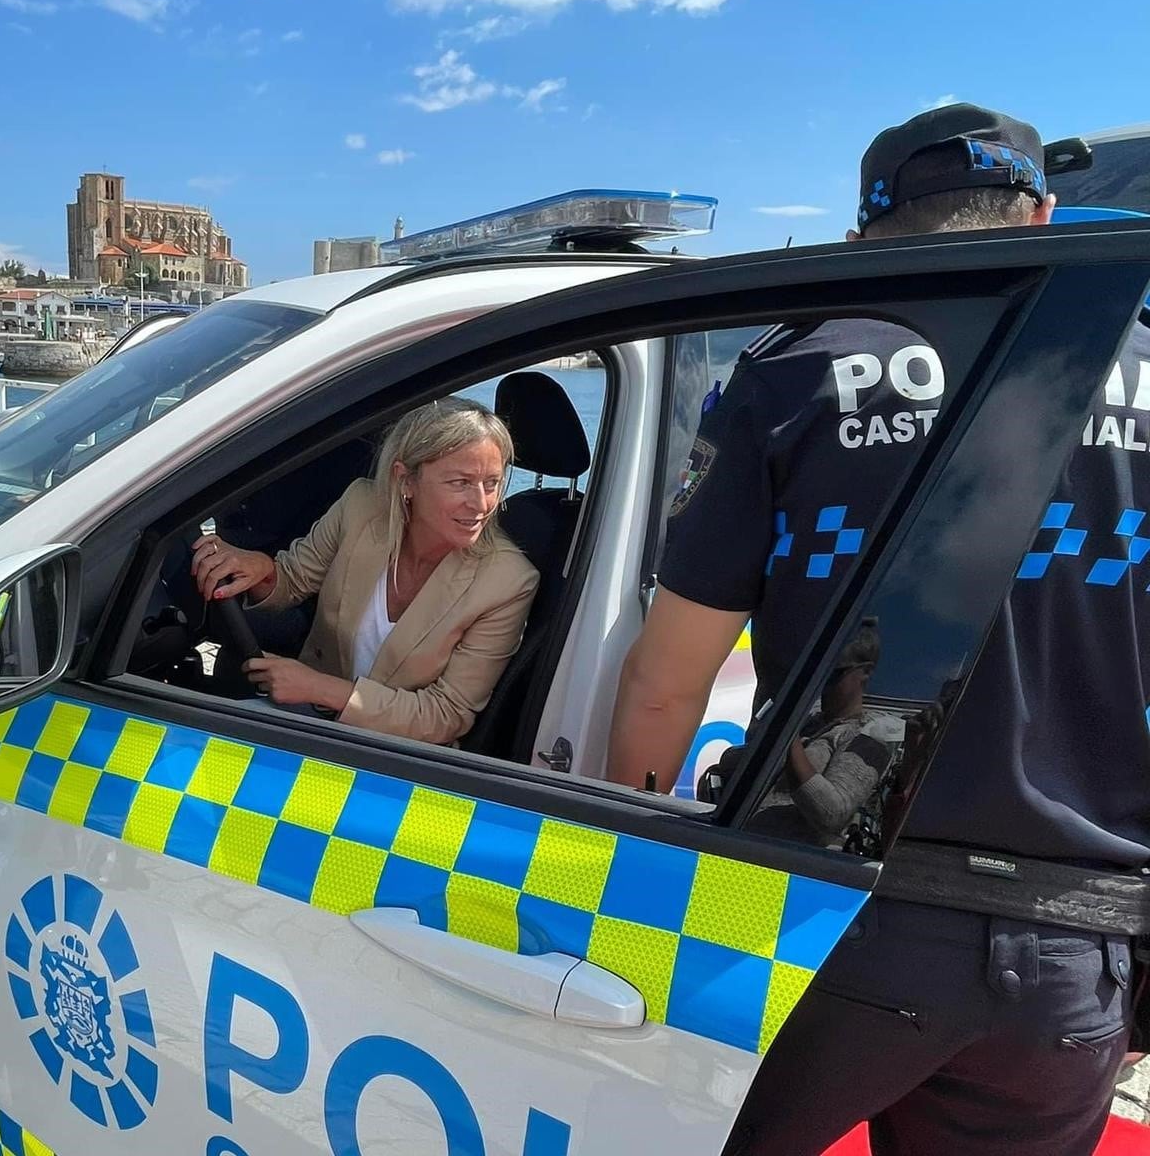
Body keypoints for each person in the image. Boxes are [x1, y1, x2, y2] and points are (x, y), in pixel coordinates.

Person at [607, 103, 1150, 1155]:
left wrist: (631, 911)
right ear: (1040, 216)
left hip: (830, 917)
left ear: (863, 238)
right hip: (1072, 943)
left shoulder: (795, 367)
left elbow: (667, 684)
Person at [191, 397, 539, 746]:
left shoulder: (508, 581)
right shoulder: (360, 505)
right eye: (460, 483)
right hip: (309, 720)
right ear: (405, 480)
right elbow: (293, 578)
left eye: (492, 483)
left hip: (396, 759)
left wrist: (320, 688)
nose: (481, 504)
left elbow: (445, 716)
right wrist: (260, 569)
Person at [737, 619, 904, 850]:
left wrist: (788, 737)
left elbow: (832, 813)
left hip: (794, 861)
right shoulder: (810, 721)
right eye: (818, 671)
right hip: (746, 842)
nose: (823, 682)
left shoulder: (872, 733)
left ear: (865, 672)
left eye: (834, 673)